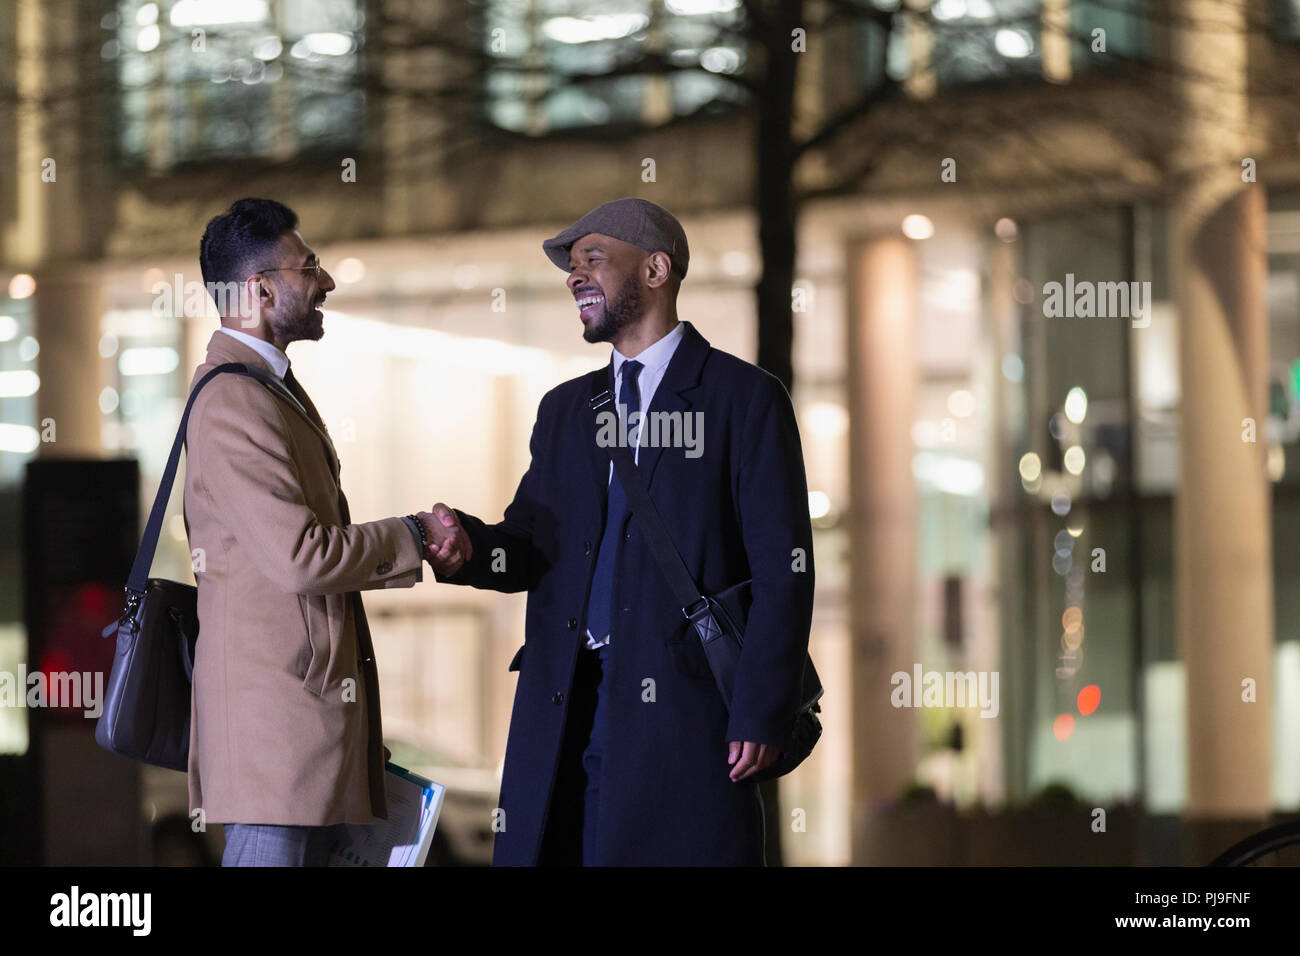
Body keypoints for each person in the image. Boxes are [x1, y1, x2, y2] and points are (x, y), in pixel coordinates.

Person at [428, 197, 815, 865]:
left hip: (685, 723)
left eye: (594, 259)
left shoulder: (742, 400)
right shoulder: (565, 411)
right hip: (564, 710)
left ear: (657, 269)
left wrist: (759, 709)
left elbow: (785, 571)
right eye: (570, 267)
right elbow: (528, 548)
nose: (575, 276)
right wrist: (468, 550)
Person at [183, 198, 464, 866]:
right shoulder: (234, 399)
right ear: (260, 289)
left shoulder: (267, 388)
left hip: (303, 745)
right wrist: (416, 533)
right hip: (276, 757)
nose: (327, 281)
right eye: (309, 266)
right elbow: (301, 556)